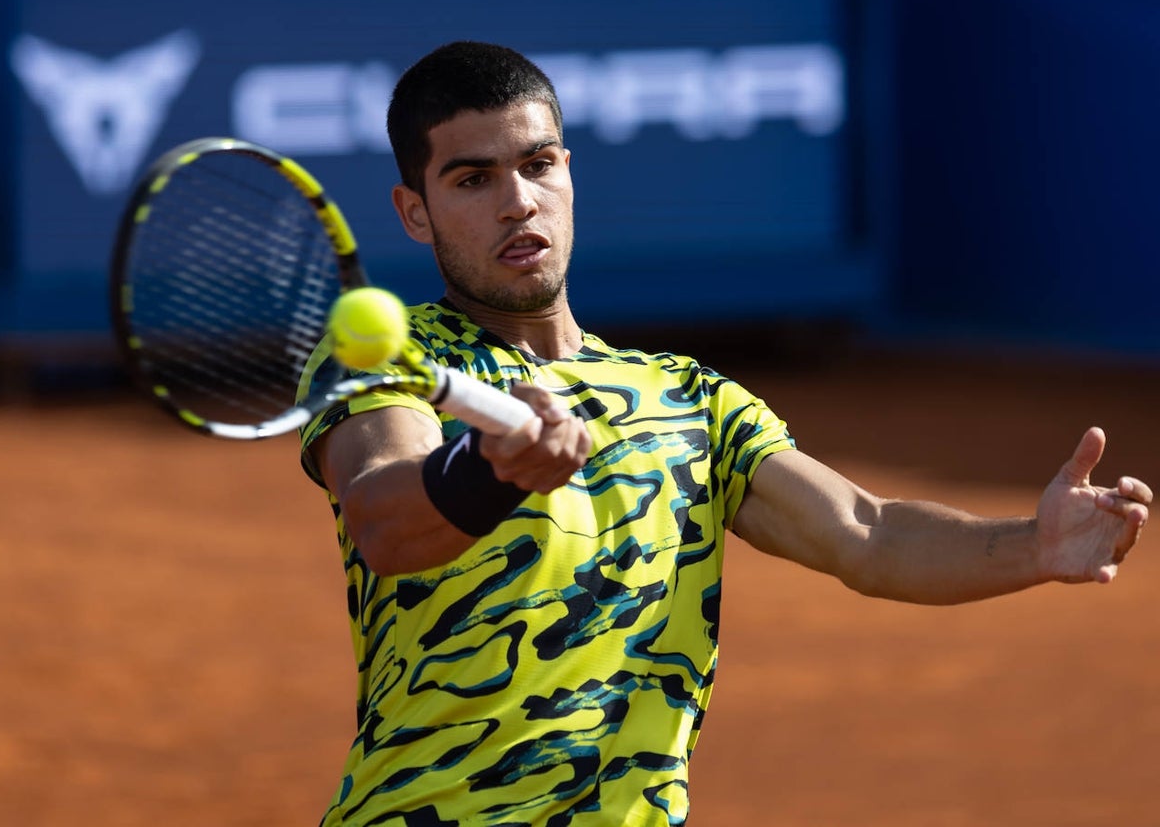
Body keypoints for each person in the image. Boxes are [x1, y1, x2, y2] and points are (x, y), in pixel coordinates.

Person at [297, 41, 1151, 827]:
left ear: (567, 172)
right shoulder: (393, 359)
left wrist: (1032, 547)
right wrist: (487, 471)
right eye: (472, 179)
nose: (518, 201)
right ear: (416, 212)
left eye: (537, 164)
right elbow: (383, 519)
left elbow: (869, 533)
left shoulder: (691, 398)